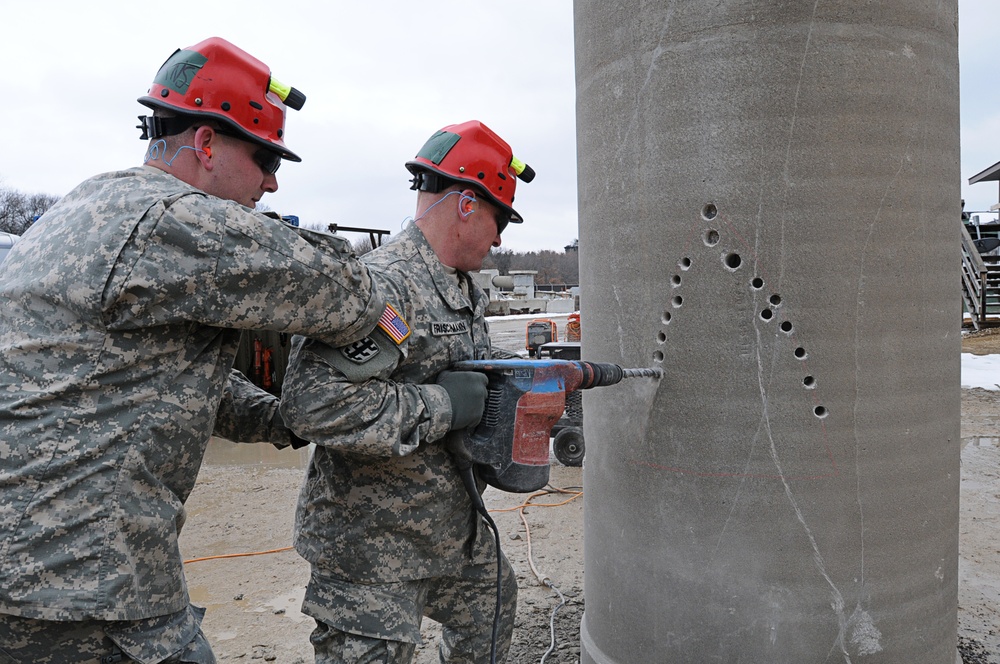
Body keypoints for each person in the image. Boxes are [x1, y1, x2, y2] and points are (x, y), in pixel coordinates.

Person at [0, 37, 401, 664]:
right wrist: (401, 338)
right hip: (83, 582)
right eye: (265, 157)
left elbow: (157, 384)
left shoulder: (77, 212)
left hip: (34, 567)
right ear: (207, 144)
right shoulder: (171, 219)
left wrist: (281, 419)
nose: (270, 183)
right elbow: (344, 293)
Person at [279, 120, 536, 663]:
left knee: (493, 607)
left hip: (450, 529)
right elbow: (313, 405)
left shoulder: (462, 288)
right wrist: (444, 407)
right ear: (466, 203)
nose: (499, 239)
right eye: (498, 220)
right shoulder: (385, 286)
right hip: (372, 546)